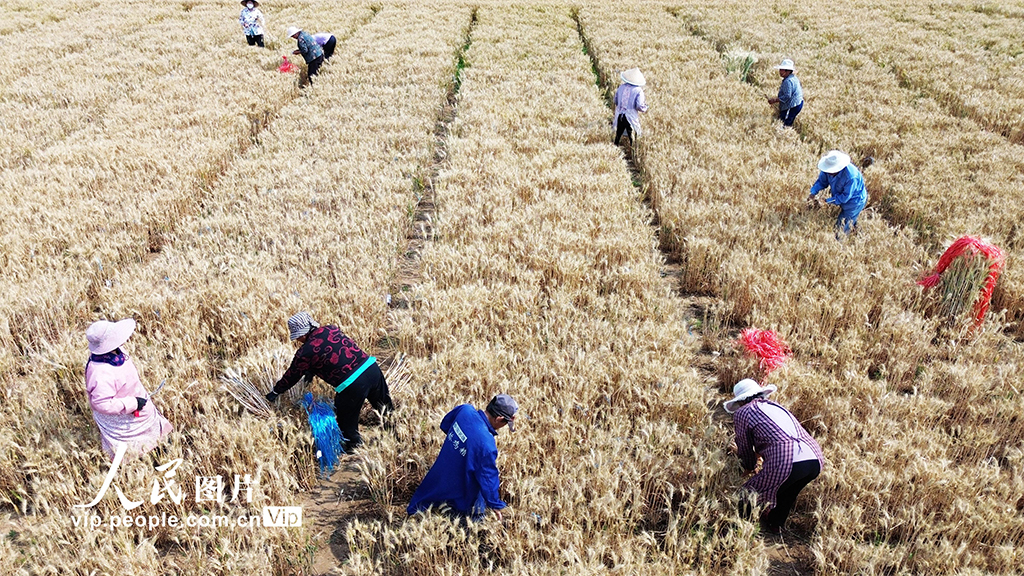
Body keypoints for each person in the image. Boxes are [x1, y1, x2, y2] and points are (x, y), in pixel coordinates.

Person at [265, 312, 392, 452]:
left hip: (352, 383)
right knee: (384, 406)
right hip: (371, 368)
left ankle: (353, 445)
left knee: (345, 416)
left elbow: (292, 375)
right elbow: (332, 350)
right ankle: (395, 432)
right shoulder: (331, 329)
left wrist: (276, 391)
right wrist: (311, 370)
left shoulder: (305, 352)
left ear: (301, 335)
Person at [724, 379, 824, 535]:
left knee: (747, 494)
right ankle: (775, 524)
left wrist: (749, 466)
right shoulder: (775, 406)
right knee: (787, 492)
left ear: (742, 400)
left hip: (788, 458)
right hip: (815, 457)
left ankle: (739, 531)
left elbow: (744, 445)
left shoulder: (743, 412)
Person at [407, 394, 518, 522]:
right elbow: (488, 478)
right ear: (499, 418)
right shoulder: (486, 445)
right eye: (506, 423)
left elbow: (445, 425)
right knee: (476, 509)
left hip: (439, 477)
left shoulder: (465, 410)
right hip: (461, 492)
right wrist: (495, 504)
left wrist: (460, 447)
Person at [84, 319, 172, 461]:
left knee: (153, 434)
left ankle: (160, 454)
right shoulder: (100, 373)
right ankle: (145, 464)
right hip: (123, 418)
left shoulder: (117, 352)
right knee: (135, 447)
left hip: (137, 404)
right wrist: (132, 403)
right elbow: (101, 404)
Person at [808, 150, 867, 235]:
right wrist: (813, 192)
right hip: (842, 197)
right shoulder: (828, 170)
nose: (829, 173)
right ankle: (858, 231)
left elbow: (845, 197)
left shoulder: (851, 177)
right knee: (850, 221)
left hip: (854, 202)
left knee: (840, 228)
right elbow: (821, 182)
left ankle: (841, 243)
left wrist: (827, 201)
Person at [613, 68, 649, 146]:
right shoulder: (638, 90)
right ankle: (633, 152)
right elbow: (639, 105)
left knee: (618, 135)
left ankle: (615, 149)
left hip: (619, 115)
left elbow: (615, 100)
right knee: (633, 138)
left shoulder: (621, 87)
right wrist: (645, 108)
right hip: (630, 117)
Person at [766, 59, 803, 127]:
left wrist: (774, 100)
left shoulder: (788, 81)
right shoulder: (793, 77)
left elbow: (787, 96)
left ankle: (784, 134)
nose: (779, 71)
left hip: (792, 106)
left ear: (787, 71)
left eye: (781, 69)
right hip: (798, 102)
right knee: (784, 118)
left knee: (785, 123)